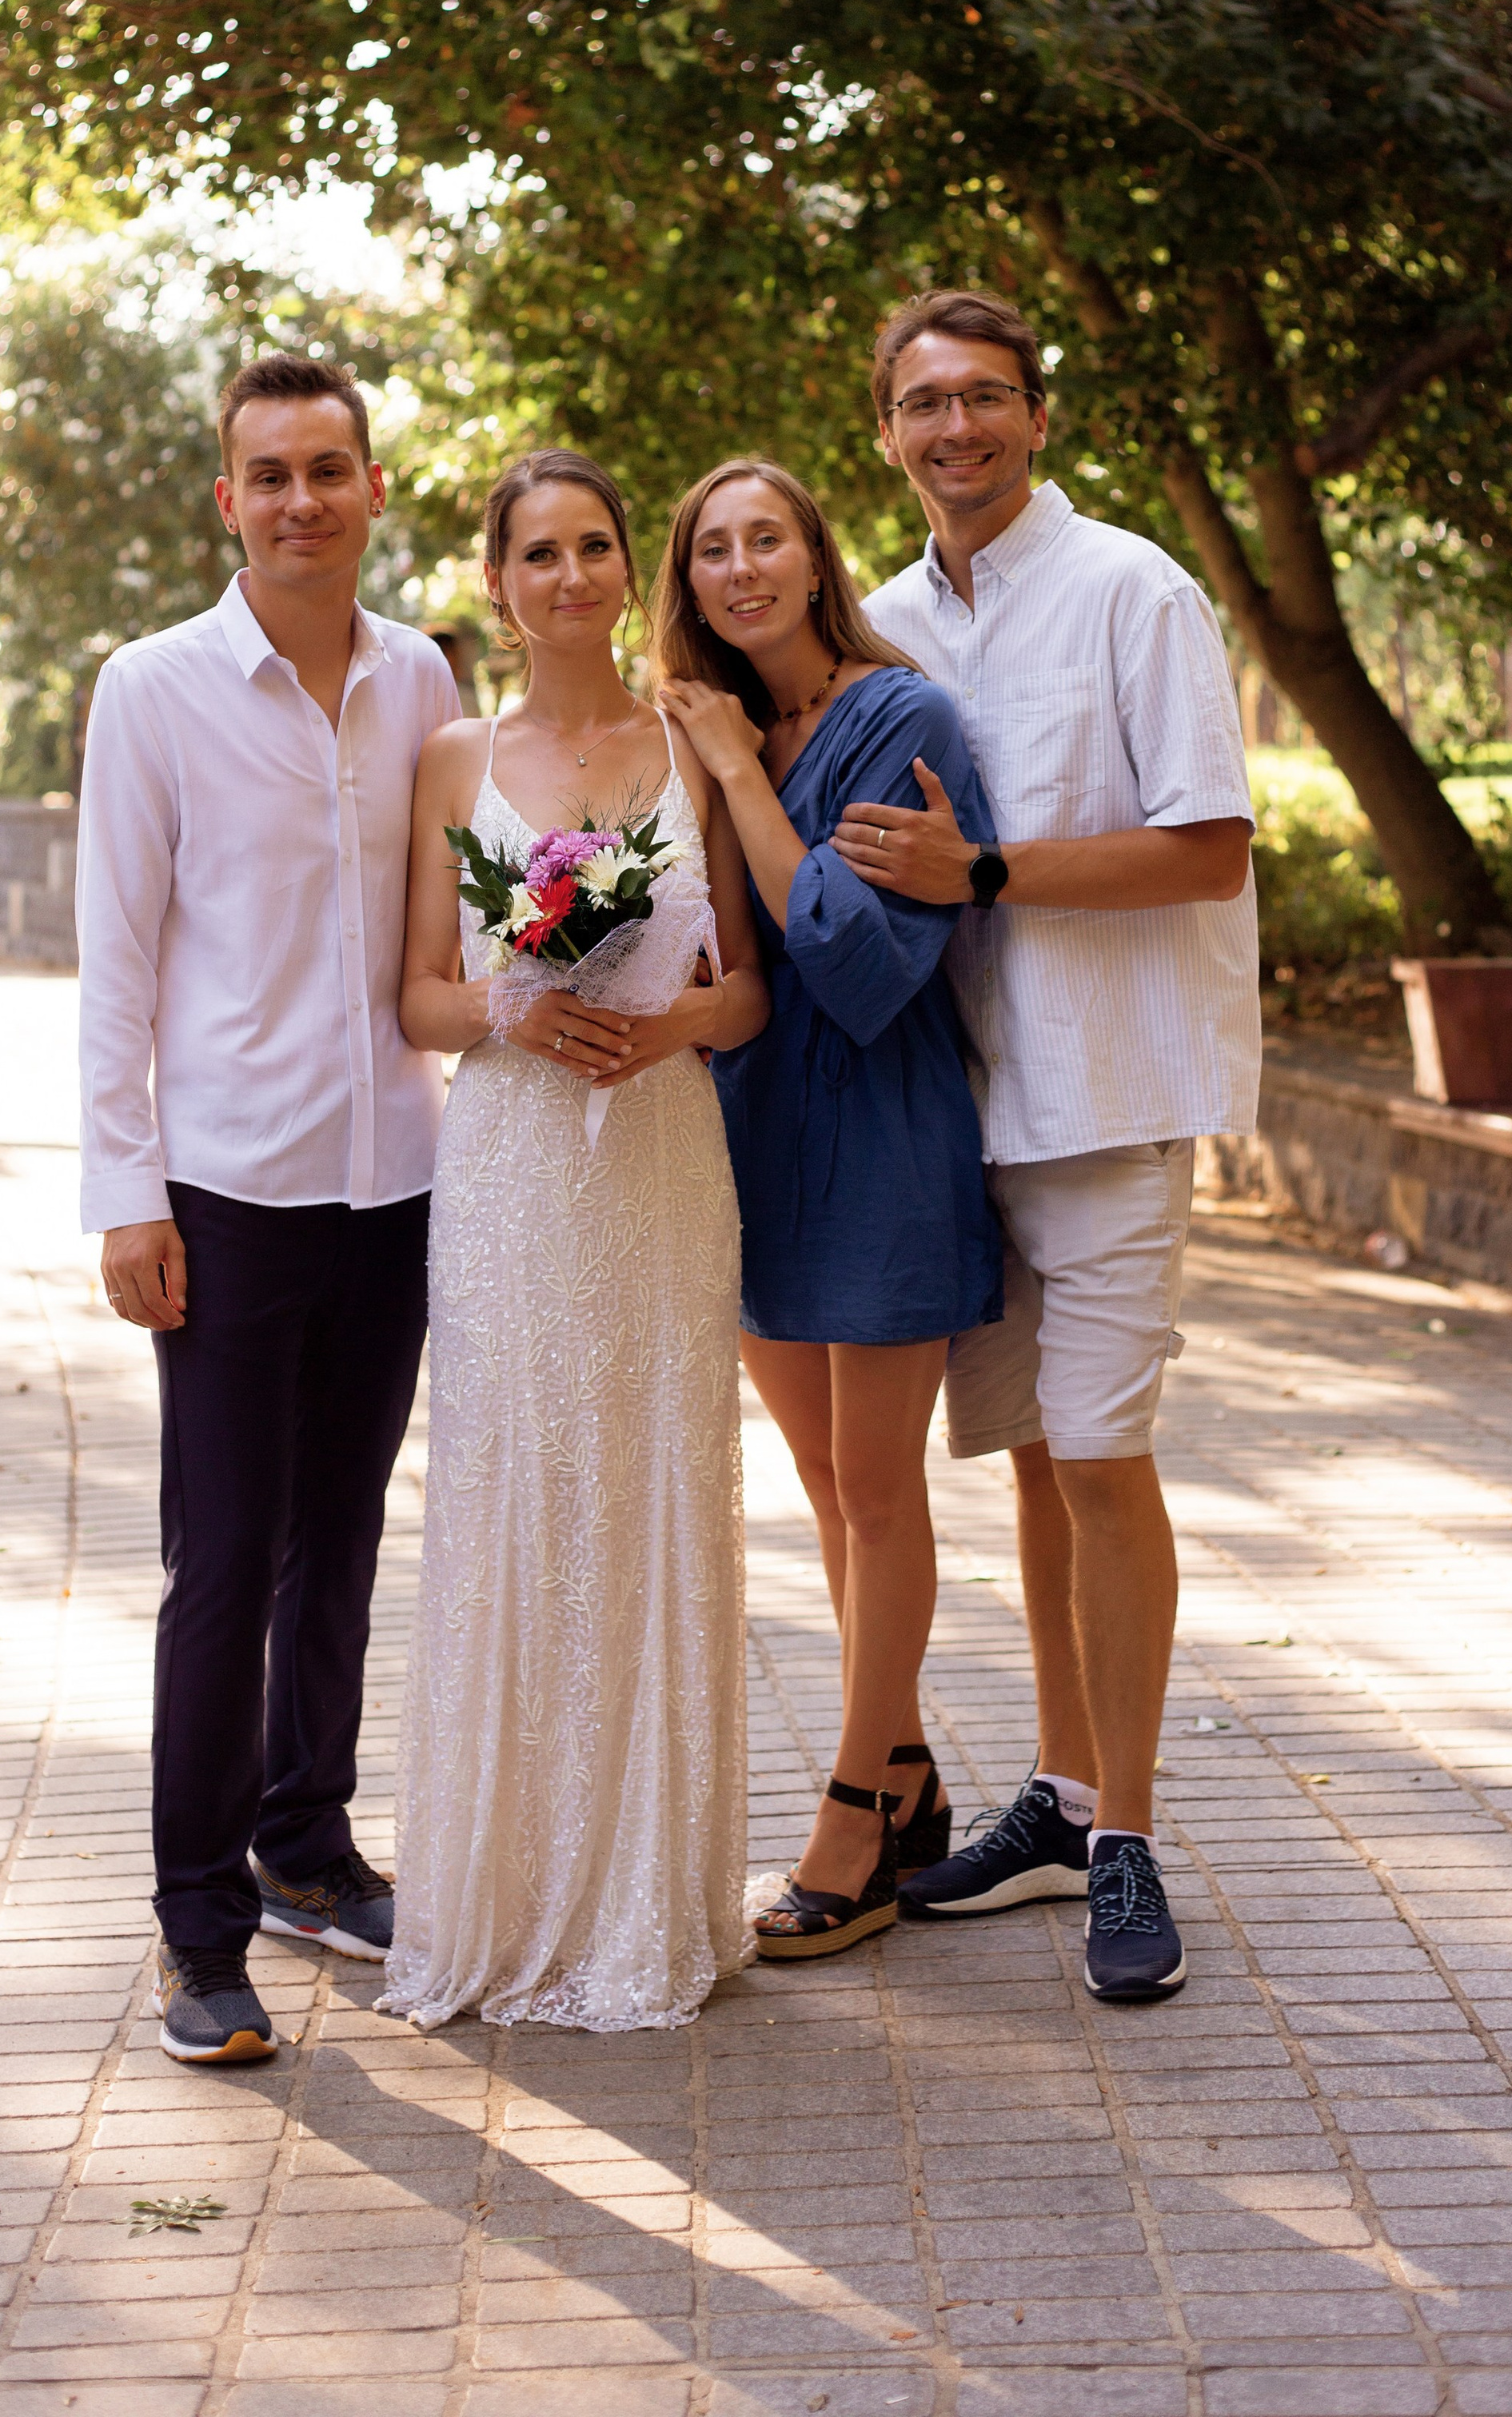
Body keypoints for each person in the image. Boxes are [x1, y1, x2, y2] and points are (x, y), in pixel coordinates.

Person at [844, 288, 1259, 2004]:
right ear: (886, 430)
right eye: (925, 403)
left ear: (1035, 415)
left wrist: (988, 875)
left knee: (1097, 1454)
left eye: (986, 398)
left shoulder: (1130, 590)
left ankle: (1129, 1845)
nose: (958, 429)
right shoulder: (875, 624)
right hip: (955, 1113)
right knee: (1024, 1456)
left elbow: (1209, 846)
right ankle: (1063, 1787)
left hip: (1104, 1095)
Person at [77, 350, 461, 2066]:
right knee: (221, 1561)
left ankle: (307, 1847)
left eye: (330, 467)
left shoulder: (425, 682)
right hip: (226, 1192)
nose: (303, 497)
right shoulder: (152, 691)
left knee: (345, 1541)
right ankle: (195, 1926)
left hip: (395, 1181)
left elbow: (470, 917)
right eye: (270, 473)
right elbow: (117, 964)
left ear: (374, 487)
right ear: (225, 500)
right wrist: (124, 1193)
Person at [384, 448, 768, 2031]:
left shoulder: (688, 740)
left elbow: (746, 986)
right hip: (511, 1169)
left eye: (592, 547)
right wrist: (518, 1006)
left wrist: (664, 1023)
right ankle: (505, 1896)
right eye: (534, 554)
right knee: (513, 1491)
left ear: (629, 567)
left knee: (653, 1488)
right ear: (496, 582)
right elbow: (414, 993)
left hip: (659, 1156)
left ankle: (645, 1897)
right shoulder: (449, 760)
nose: (567, 578)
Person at [656, 460, 1000, 1962]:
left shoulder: (898, 716)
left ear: (814, 559)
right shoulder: (696, 726)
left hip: (884, 1138)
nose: (741, 569)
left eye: (766, 540)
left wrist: (739, 778)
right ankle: (911, 1771)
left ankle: (856, 1815)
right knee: (820, 1477)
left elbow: (861, 972)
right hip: (748, 1140)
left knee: (878, 1489)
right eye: (713, 548)